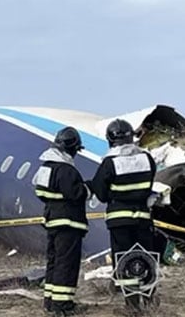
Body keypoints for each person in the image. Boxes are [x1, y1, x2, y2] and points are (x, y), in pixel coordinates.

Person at [88, 119, 158, 313]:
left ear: (110, 139)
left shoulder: (110, 162)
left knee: (125, 260)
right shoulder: (147, 159)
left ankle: (132, 306)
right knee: (146, 257)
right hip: (143, 217)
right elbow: (149, 185)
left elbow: (100, 193)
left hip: (119, 220)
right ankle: (150, 299)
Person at [34, 127, 90, 316]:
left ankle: (50, 301)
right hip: (68, 223)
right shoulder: (66, 170)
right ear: (72, 148)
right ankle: (63, 306)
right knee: (67, 263)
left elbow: (40, 193)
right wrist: (88, 188)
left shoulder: (45, 167)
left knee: (54, 262)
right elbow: (76, 194)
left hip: (52, 221)